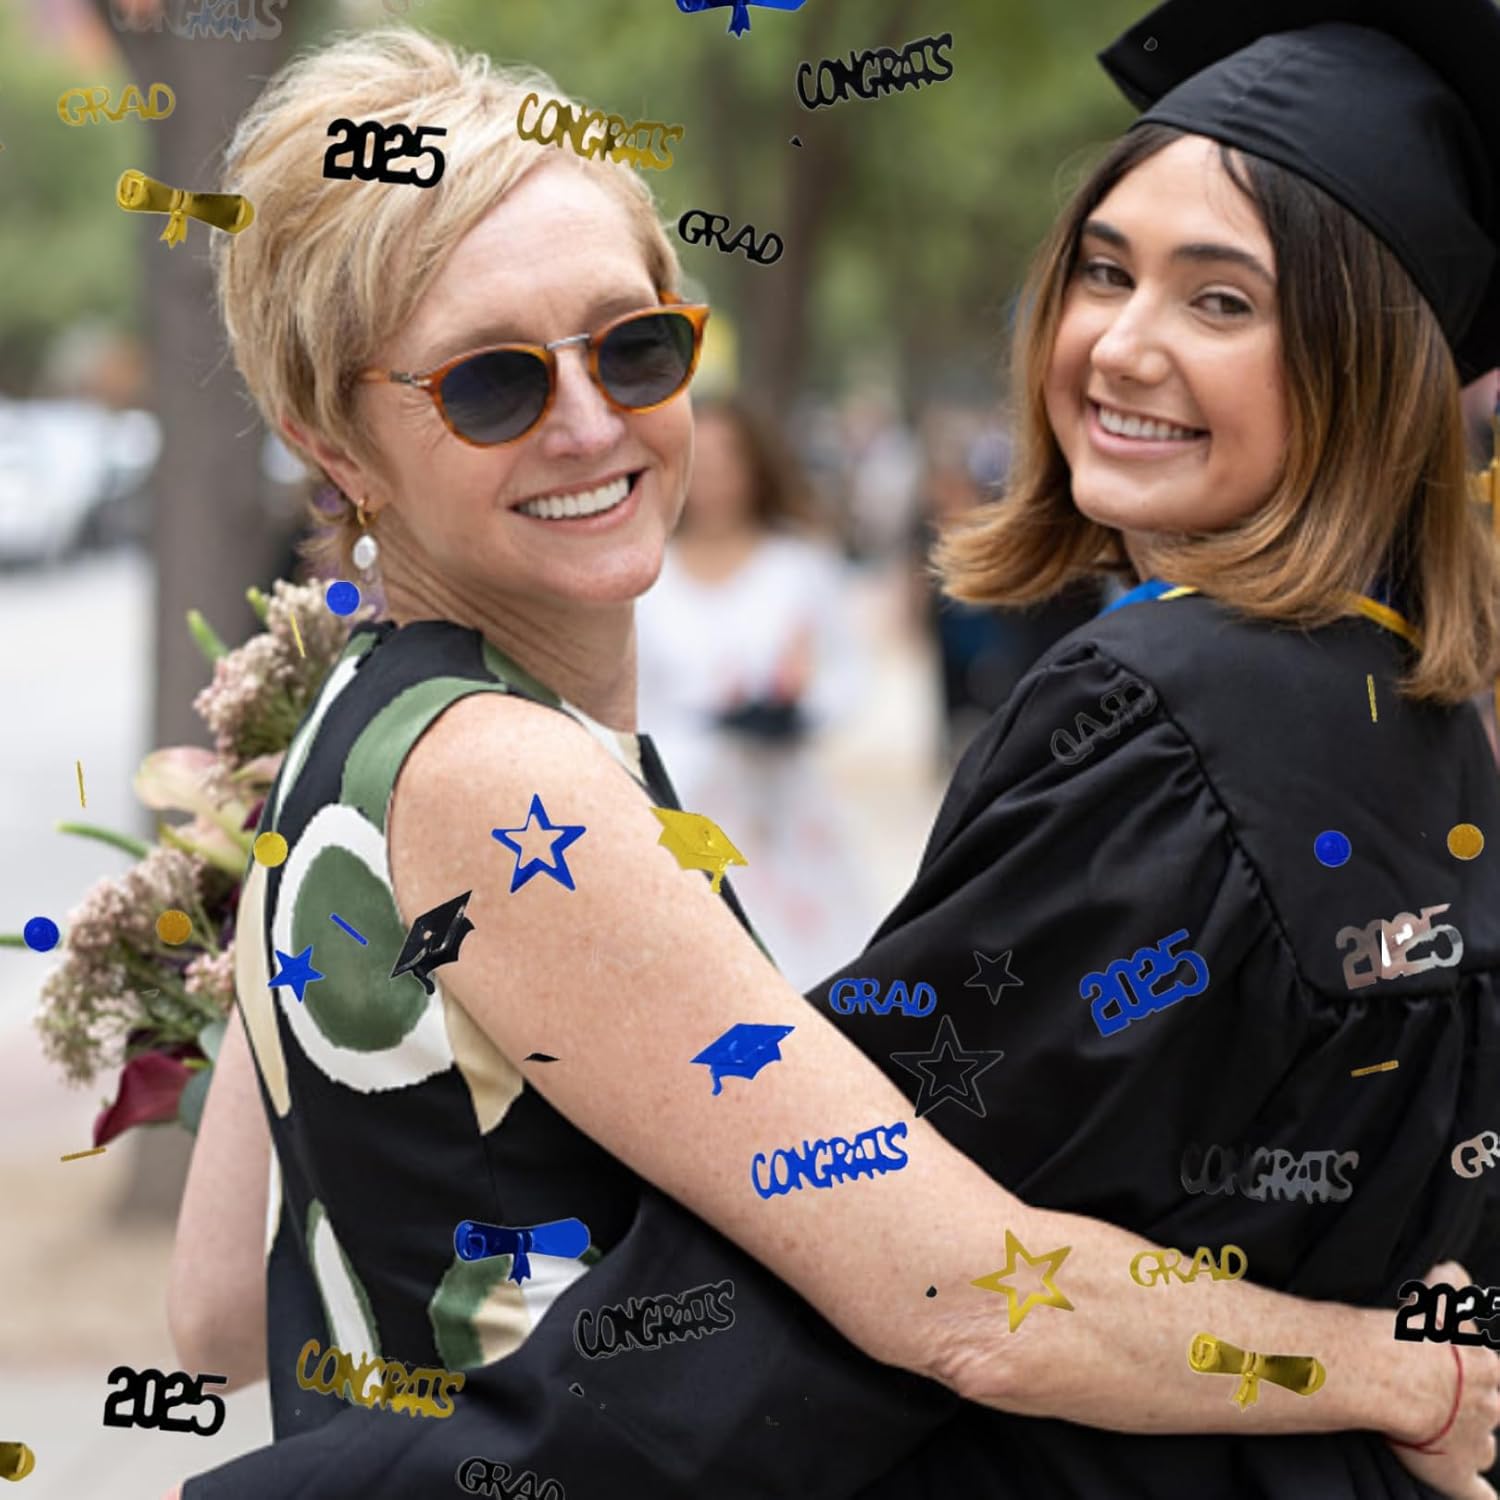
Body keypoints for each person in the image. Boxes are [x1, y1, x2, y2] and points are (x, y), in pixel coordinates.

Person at [165, 18, 1499, 1500]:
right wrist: (1394, 1371)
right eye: (492, 383)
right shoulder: (503, 782)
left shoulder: (347, 735)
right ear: (333, 444)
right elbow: (962, 1292)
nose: (592, 424)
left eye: (637, 347)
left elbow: (219, 1309)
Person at [635, 397, 877, 989]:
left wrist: (799, 705)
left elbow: (847, 673)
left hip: (786, 814)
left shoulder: (799, 565)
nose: (715, 478)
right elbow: (634, 702)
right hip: (687, 808)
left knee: (806, 977)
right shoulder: (644, 575)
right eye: (701, 461)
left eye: (729, 459)